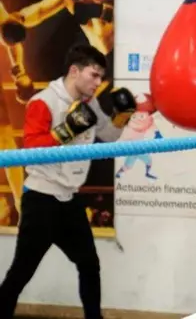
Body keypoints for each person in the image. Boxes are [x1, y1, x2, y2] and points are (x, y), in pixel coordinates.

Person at [0, 44, 137, 319]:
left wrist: (123, 115)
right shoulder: (43, 101)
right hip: (41, 200)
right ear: (74, 71)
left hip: (69, 200)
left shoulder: (89, 104)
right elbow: (31, 149)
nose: (97, 83)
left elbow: (109, 137)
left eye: (101, 77)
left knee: (89, 264)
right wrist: (67, 130)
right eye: (93, 75)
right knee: (21, 271)